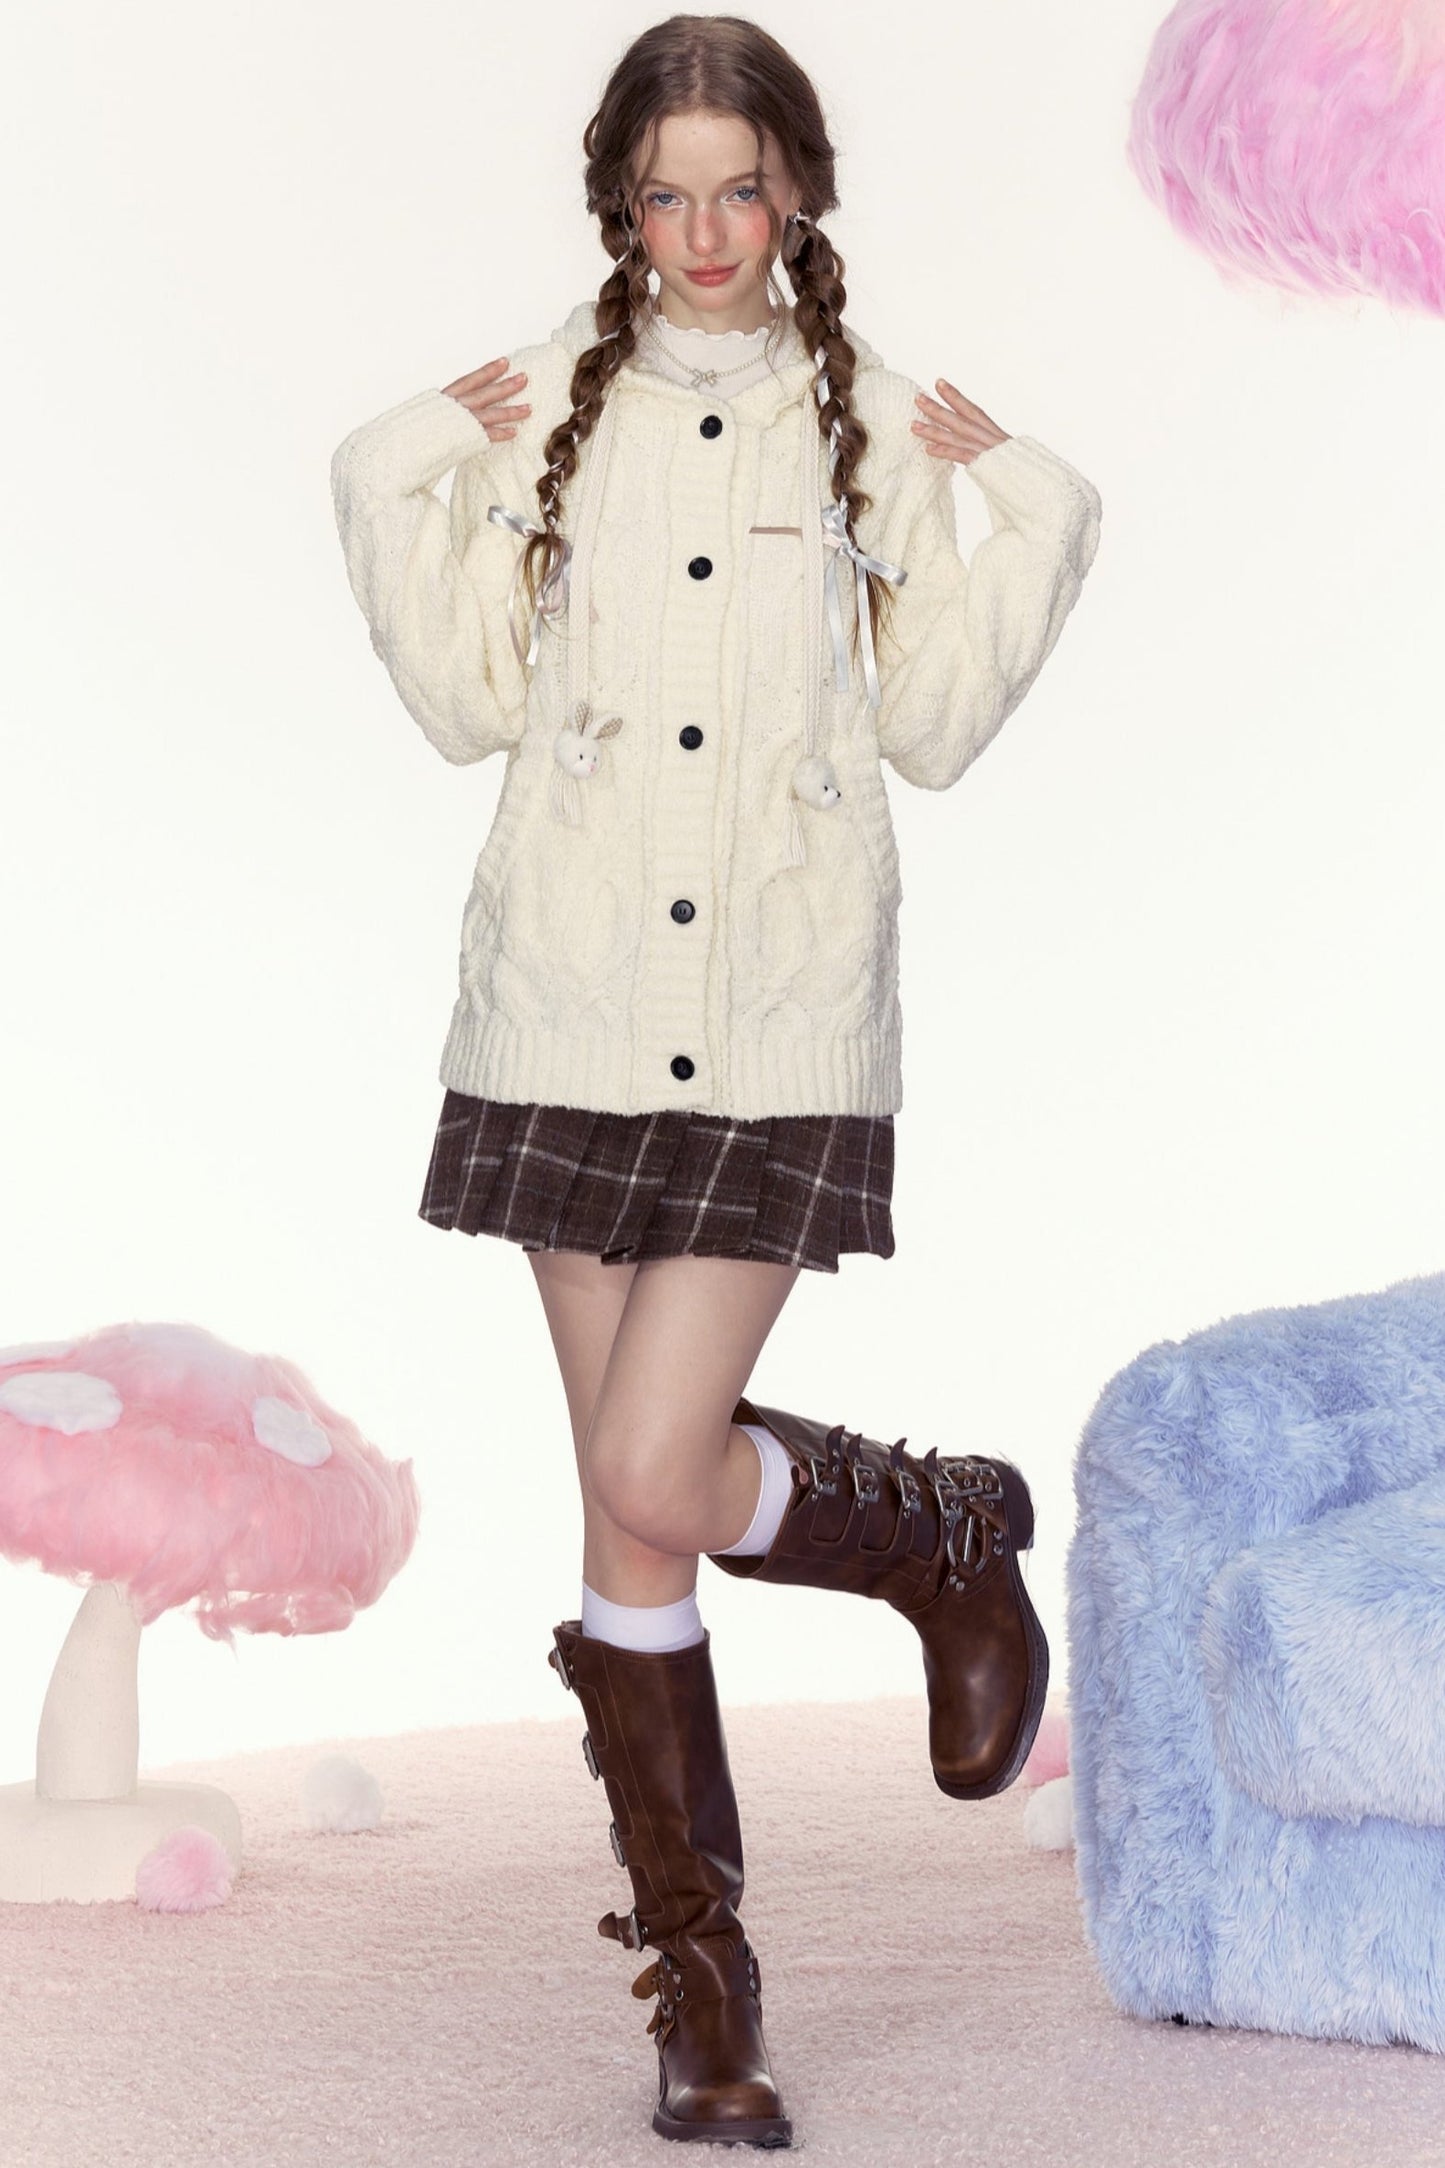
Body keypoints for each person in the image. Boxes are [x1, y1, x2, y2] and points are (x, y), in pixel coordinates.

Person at [330, 15, 1102, 2150]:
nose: (699, 233)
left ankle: (943, 1539)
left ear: (795, 196)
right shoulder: (539, 410)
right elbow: (463, 696)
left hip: (774, 1019)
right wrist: (406, 452)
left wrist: (1030, 503)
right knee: (625, 1509)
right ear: (620, 204)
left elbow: (933, 726)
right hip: (567, 1007)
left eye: (735, 191)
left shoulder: (865, 426)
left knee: (659, 1464)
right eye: (663, 195)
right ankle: (703, 1985)